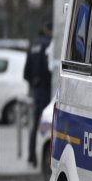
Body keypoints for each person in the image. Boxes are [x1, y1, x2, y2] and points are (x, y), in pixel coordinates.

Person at [23, 21, 53, 167]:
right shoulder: (49, 45)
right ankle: (45, 158)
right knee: (47, 124)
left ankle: (31, 156)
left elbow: (26, 73)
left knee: (36, 124)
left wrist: (34, 83)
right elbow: (50, 70)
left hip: (37, 89)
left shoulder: (34, 45)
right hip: (47, 90)